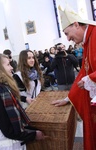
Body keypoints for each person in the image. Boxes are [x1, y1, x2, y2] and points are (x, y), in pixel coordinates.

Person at [51, 5, 96, 150]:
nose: (68, 39)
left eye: (66, 33)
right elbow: (84, 72)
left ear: (76, 24)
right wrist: (68, 98)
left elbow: (87, 76)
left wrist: (91, 79)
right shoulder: (88, 41)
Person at [0, 53, 45, 150]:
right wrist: (34, 135)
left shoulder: (1, 88)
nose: (11, 68)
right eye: (8, 65)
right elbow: (8, 129)